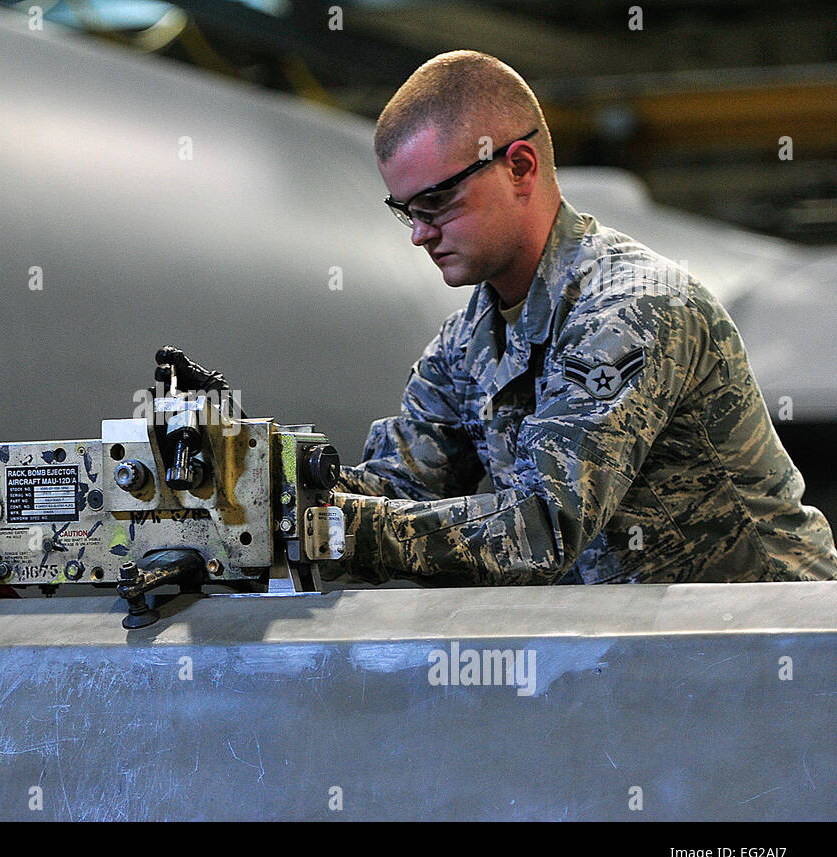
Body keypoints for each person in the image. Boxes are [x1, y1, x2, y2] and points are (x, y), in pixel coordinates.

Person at [328, 50, 837, 585]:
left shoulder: (634, 308)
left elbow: (543, 529)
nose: (419, 233)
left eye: (437, 201)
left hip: (770, 639)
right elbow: (400, 489)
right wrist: (279, 490)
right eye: (407, 211)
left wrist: (337, 528)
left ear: (520, 167)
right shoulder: (466, 346)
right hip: (637, 649)